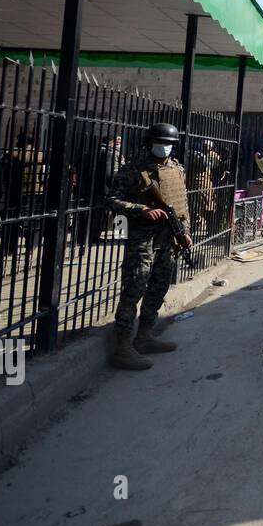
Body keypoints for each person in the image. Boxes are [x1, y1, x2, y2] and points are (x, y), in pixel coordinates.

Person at [105, 122, 191, 371]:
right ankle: (122, 346)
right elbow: (111, 201)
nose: (164, 148)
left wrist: (184, 233)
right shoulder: (134, 170)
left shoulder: (177, 169)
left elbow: (182, 203)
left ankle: (143, 336)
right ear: (149, 143)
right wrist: (141, 209)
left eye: (168, 144)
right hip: (142, 238)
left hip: (169, 239)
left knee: (159, 286)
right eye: (160, 143)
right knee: (135, 286)